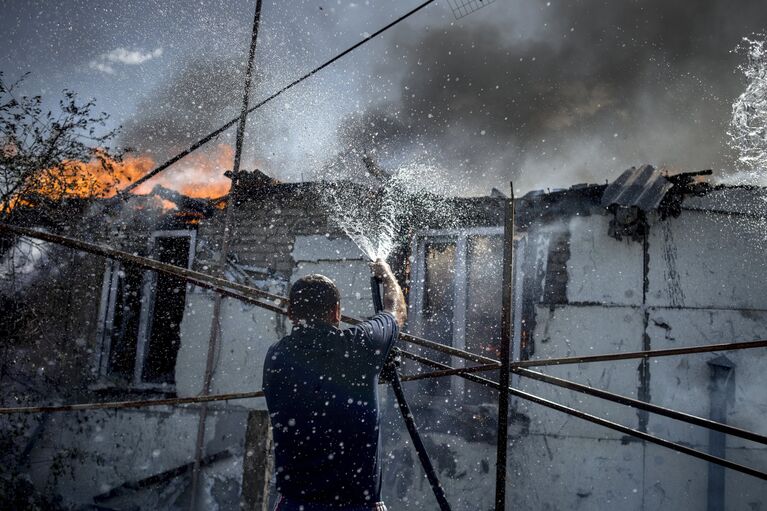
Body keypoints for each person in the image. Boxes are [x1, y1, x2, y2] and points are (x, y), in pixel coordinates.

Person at [262, 258, 407, 511]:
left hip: (296, 504)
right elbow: (396, 312)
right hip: (357, 505)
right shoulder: (361, 345)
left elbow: (318, 384)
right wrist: (387, 276)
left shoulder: (276, 357)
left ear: (291, 313)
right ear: (337, 311)